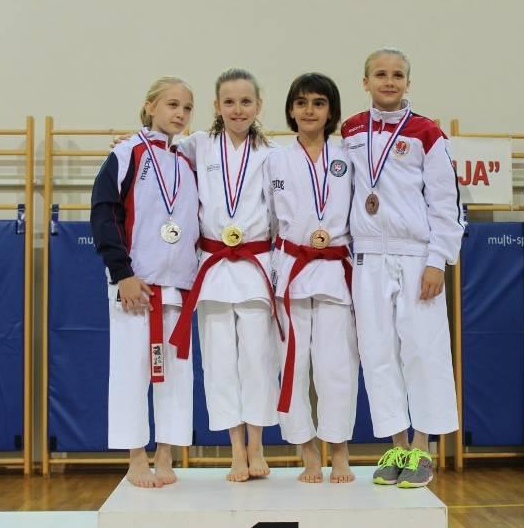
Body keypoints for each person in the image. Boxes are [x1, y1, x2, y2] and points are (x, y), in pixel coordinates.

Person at [341, 48, 464, 488]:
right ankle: (397, 445)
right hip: (367, 256)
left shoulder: (427, 133)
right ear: (365, 81)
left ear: (408, 83)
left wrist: (437, 261)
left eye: (397, 75)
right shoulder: (350, 130)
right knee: (377, 353)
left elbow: (446, 202)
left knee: (423, 351)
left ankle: (423, 447)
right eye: (380, 74)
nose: (389, 81)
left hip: (416, 256)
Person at [167, 68, 283, 482]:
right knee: (219, 363)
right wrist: (125, 145)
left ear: (258, 106)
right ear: (217, 106)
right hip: (214, 266)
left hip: (256, 265)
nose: (237, 110)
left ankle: (257, 445)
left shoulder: (273, 154)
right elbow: (157, 148)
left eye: (245, 102)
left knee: (258, 359)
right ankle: (235, 449)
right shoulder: (197, 145)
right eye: (229, 102)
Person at [91, 76, 199, 488]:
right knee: (130, 372)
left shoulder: (188, 159)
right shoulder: (126, 153)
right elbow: (104, 212)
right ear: (150, 106)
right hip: (136, 284)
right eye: (172, 104)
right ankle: (136, 457)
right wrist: (122, 273)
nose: (180, 114)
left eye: (187, 108)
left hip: (179, 284)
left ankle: (166, 453)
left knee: (176, 376)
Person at [265, 73, 359, 484]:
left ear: (331, 111)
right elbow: (267, 219)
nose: (309, 110)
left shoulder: (349, 156)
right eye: (301, 102)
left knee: (336, 366)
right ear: (290, 109)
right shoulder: (273, 159)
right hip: (292, 267)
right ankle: (306, 451)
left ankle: (339, 451)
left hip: (335, 268)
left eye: (318, 103)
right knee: (293, 364)